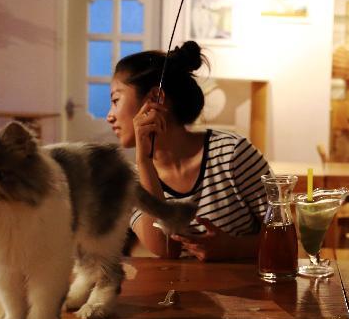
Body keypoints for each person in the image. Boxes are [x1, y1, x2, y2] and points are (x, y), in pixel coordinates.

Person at [106, 40, 270, 261]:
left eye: (116, 100)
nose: (110, 115)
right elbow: (164, 248)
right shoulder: (131, 181)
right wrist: (144, 162)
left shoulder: (233, 154)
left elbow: (287, 240)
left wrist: (233, 248)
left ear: (155, 98)